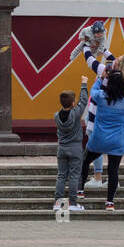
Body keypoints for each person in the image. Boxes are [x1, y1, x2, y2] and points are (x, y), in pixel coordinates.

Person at [80, 69, 124, 210]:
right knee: (113, 171)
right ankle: (110, 202)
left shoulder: (101, 97)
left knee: (85, 161)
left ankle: (80, 190)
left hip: (99, 137)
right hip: (117, 140)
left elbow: (93, 91)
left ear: (109, 83)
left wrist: (101, 77)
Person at [77, 41, 116, 199]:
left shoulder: (104, 71)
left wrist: (86, 45)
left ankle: (97, 177)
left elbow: (89, 59)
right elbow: (112, 58)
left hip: (96, 115)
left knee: (94, 148)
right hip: (111, 119)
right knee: (113, 152)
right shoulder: (120, 76)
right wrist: (103, 49)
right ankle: (112, 180)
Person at [54, 77, 89, 212]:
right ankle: (73, 203)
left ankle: (57, 203)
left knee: (61, 175)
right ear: (73, 103)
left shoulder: (56, 116)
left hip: (62, 148)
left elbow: (78, 102)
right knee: (74, 175)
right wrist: (84, 84)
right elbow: (84, 100)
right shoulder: (76, 112)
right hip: (75, 148)